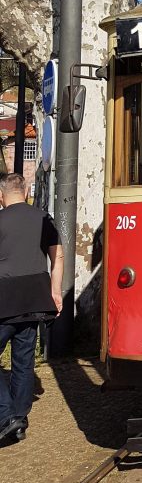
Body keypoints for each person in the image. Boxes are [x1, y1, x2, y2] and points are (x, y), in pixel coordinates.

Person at [0, 172, 63, 443]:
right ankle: (20, 418)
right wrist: (55, 293)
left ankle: (7, 416)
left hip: (4, 299)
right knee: (24, 361)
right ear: (25, 192)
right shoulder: (43, 219)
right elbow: (57, 256)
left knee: (22, 360)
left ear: (1, 196)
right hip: (35, 299)